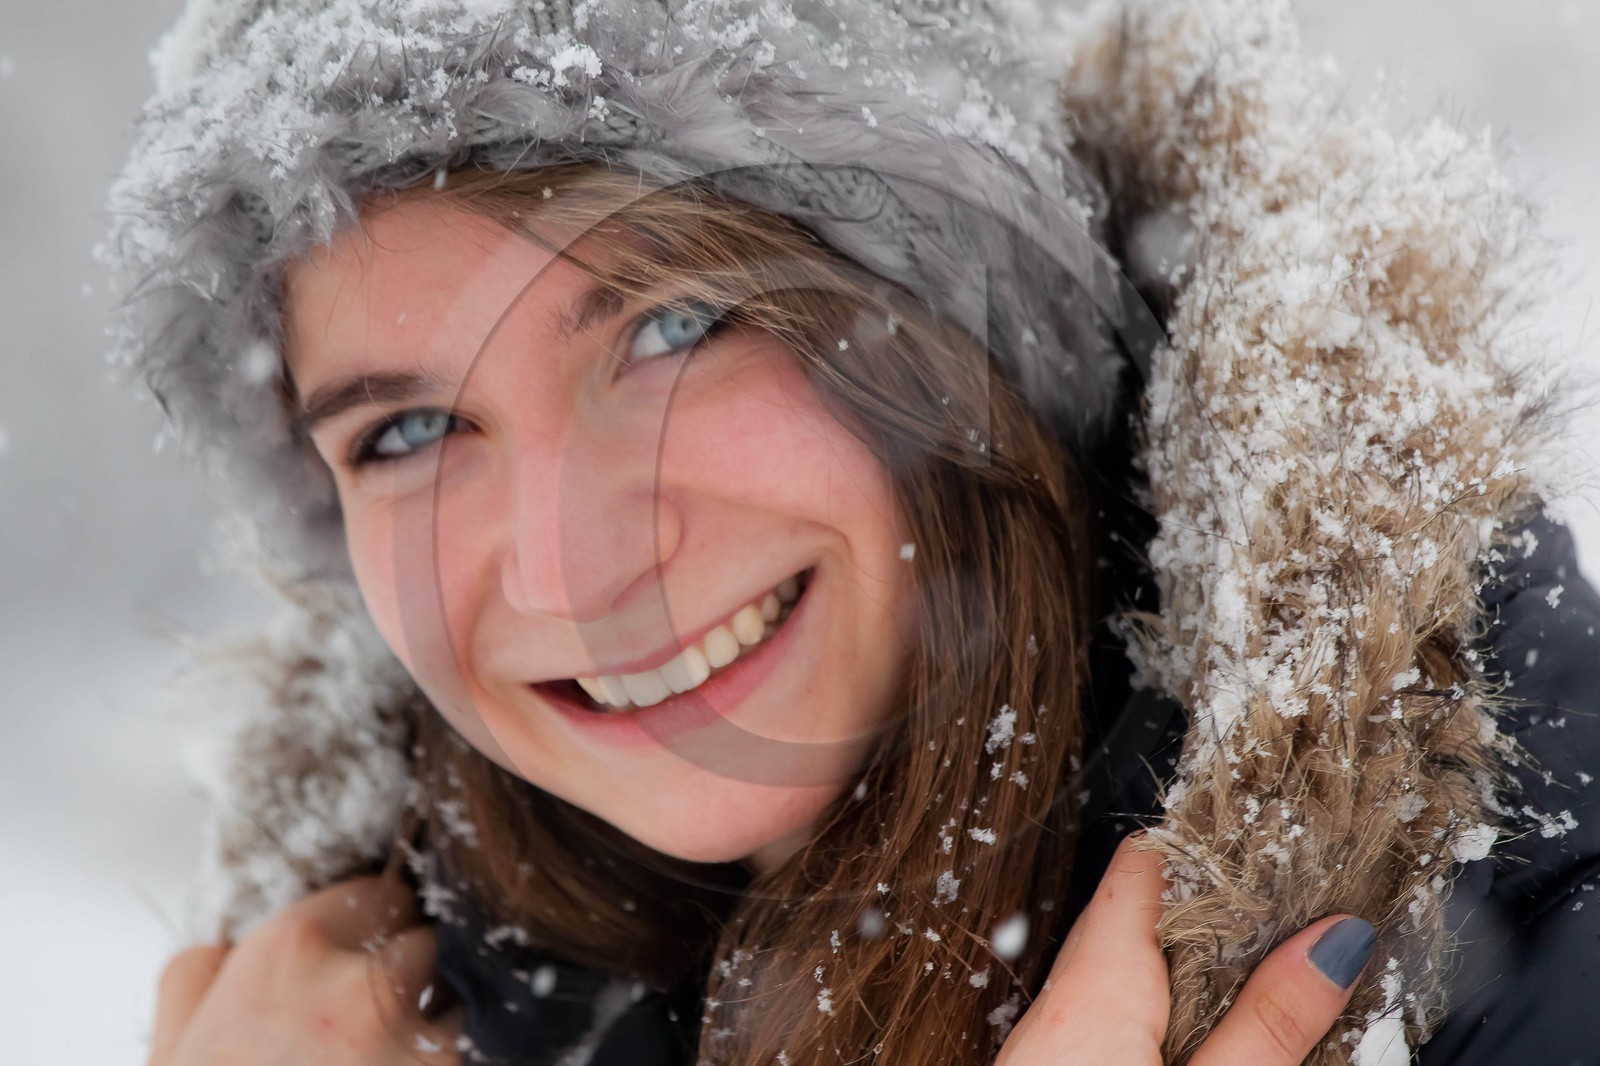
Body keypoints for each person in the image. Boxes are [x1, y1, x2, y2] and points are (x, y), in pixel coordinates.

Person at [99, 1, 1599, 1064]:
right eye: (407, 433)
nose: (571, 570)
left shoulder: (1506, 926)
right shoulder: (383, 1006)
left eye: (677, 326)